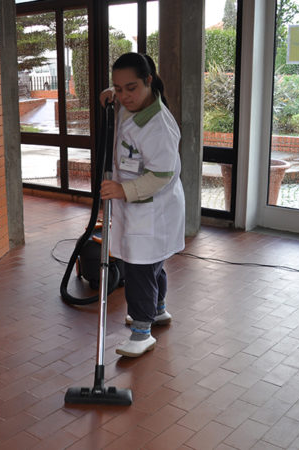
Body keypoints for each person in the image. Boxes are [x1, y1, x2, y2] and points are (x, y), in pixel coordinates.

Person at [99, 53, 185, 358]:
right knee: (152, 264)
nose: (124, 96)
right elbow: (118, 100)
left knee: (139, 269)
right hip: (138, 207)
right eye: (118, 88)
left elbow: (161, 175)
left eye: (130, 88)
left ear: (149, 81)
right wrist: (110, 97)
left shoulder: (159, 125)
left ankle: (142, 332)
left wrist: (123, 190)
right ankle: (158, 310)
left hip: (152, 208)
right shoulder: (130, 105)